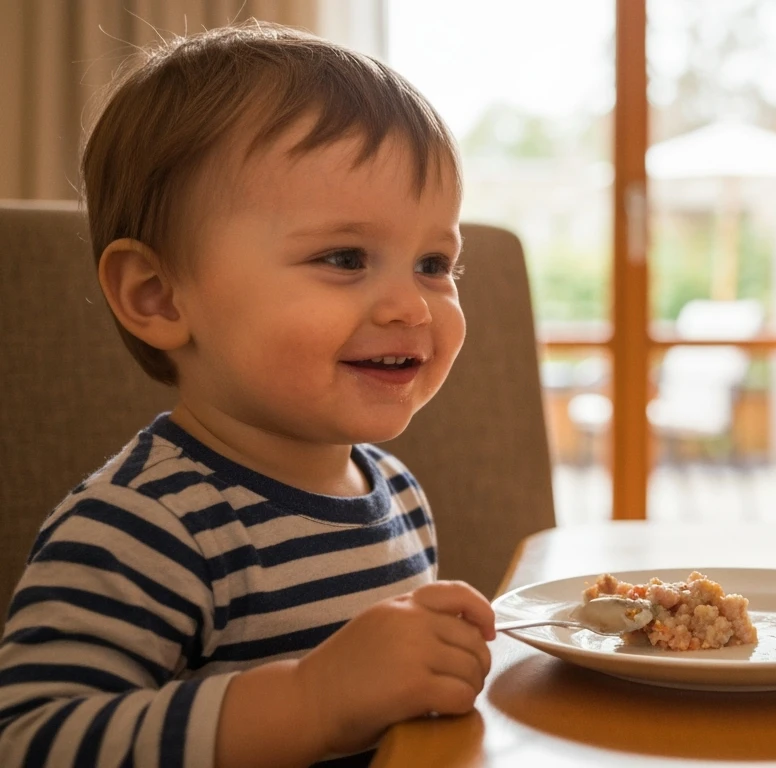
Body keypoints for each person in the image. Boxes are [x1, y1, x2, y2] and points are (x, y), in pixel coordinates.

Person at [0, 21, 496, 768]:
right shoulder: (146, 526)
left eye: (434, 263)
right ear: (159, 296)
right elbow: (31, 740)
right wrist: (311, 700)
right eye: (344, 257)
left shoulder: (395, 492)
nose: (413, 306)